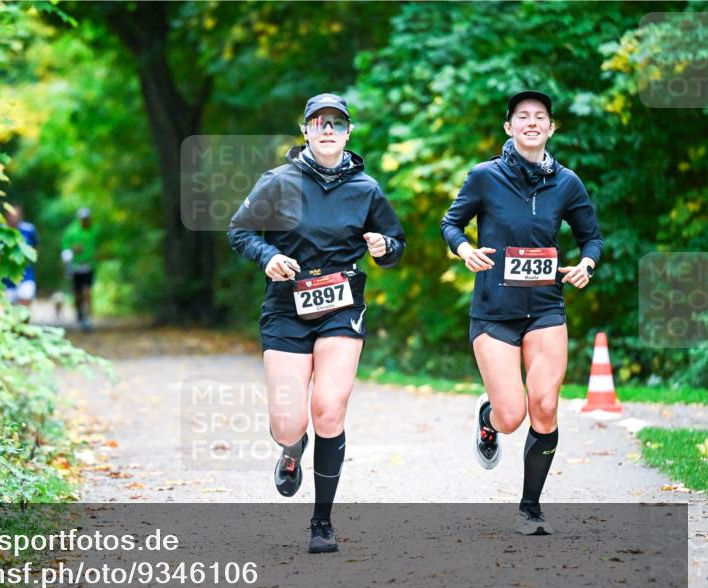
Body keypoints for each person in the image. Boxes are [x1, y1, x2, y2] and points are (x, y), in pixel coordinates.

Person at [228, 93, 406, 554]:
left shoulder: (366, 188)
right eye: (318, 122)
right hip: (287, 308)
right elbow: (239, 230)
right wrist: (268, 256)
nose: (327, 129)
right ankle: (291, 450)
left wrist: (385, 248)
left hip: (341, 306)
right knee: (290, 423)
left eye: (337, 123)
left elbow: (395, 243)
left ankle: (322, 522)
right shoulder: (278, 181)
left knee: (329, 409)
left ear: (348, 133)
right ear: (305, 130)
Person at [439, 90, 603, 535]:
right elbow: (450, 223)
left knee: (545, 405)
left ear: (551, 128)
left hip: (546, 307)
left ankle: (530, 508)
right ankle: (487, 420)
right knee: (512, 415)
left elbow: (592, 238)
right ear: (509, 128)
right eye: (522, 117)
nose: (532, 122)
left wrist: (587, 264)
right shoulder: (484, 177)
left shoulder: (567, 183)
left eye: (540, 117)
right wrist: (465, 248)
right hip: (494, 310)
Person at [61, 207, 96, 332]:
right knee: (78, 293)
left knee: (88, 291)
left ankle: (89, 318)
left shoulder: (94, 230)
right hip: (75, 266)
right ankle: (79, 315)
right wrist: (73, 249)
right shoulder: (71, 231)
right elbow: (64, 249)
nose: (85, 221)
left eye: (87, 218)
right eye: (83, 219)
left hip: (89, 265)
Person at [2, 204, 38, 306]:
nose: (14, 217)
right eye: (12, 214)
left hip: (26, 274)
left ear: (21, 215)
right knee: (9, 312)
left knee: (25, 306)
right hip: (6, 279)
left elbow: (35, 245)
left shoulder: (29, 229)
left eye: (17, 214)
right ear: (7, 216)